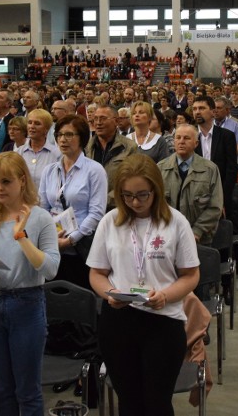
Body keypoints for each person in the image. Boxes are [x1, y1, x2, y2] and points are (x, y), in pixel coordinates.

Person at [87, 154, 200, 416]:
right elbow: (97, 273)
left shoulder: (176, 222)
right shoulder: (110, 222)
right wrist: (110, 293)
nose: (134, 202)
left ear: (156, 190)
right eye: (127, 195)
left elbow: (191, 275)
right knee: (129, 403)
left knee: (157, 403)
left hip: (162, 322)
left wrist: (165, 295)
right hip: (119, 320)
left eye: (142, 195)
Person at [0, 152, 60, 416]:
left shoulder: (41, 218)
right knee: (1, 388)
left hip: (27, 305)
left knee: (27, 391)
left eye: (5, 182)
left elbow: (51, 269)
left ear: (22, 180)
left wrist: (22, 237)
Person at [40, 114, 108, 289]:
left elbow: (96, 213)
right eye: (60, 135)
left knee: (77, 298)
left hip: (80, 248)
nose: (63, 139)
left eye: (69, 135)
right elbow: (43, 207)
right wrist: (49, 236)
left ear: (82, 139)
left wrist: (71, 240)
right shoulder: (49, 171)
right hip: (52, 245)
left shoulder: (94, 170)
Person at [157, 123, 223, 244]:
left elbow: (215, 207)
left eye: (187, 138)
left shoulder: (210, 169)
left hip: (200, 239)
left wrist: (197, 231)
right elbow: (155, 204)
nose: (181, 141)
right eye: (178, 138)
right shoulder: (161, 168)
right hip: (166, 237)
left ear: (196, 143)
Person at [85, 105, 137, 209]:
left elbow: (129, 179)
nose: (98, 123)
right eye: (96, 118)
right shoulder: (88, 146)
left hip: (117, 207)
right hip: (89, 206)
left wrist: (104, 200)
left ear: (116, 121)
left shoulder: (129, 147)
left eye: (103, 118)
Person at [16, 108, 61, 187]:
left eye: (37, 124)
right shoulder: (18, 152)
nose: (32, 126)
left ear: (46, 129)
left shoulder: (57, 154)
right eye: (30, 122)